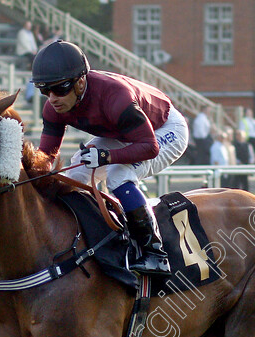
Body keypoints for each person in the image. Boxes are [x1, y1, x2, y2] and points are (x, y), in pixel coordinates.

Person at [32, 40, 189, 274]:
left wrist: (106, 156)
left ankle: (155, 253)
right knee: (75, 172)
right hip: (123, 131)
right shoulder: (53, 108)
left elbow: (150, 148)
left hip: (164, 130)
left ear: (81, 82)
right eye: (45, 90)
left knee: (118, 175)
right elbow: (45, 158)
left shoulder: (114, 96)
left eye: (60, 88)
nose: (52, 98)